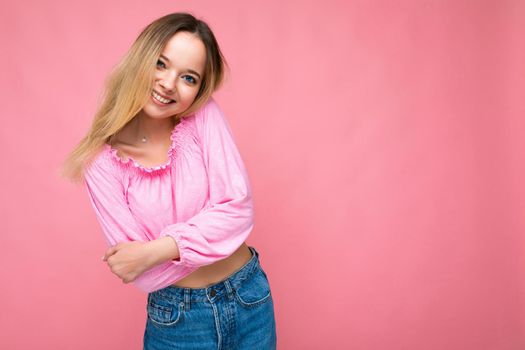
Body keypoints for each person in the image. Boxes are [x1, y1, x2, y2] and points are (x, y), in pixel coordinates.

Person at [60, 12, 276, 349]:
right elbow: (141, 271)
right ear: (140, 58)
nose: (168, 83)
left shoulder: (203, 117)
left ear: (199, 89)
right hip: (178, 319)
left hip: (249, 296)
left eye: (188, 77)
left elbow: (237, 210)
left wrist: (157, 250)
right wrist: (203, 236)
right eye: (160, 64)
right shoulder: (100, 162)